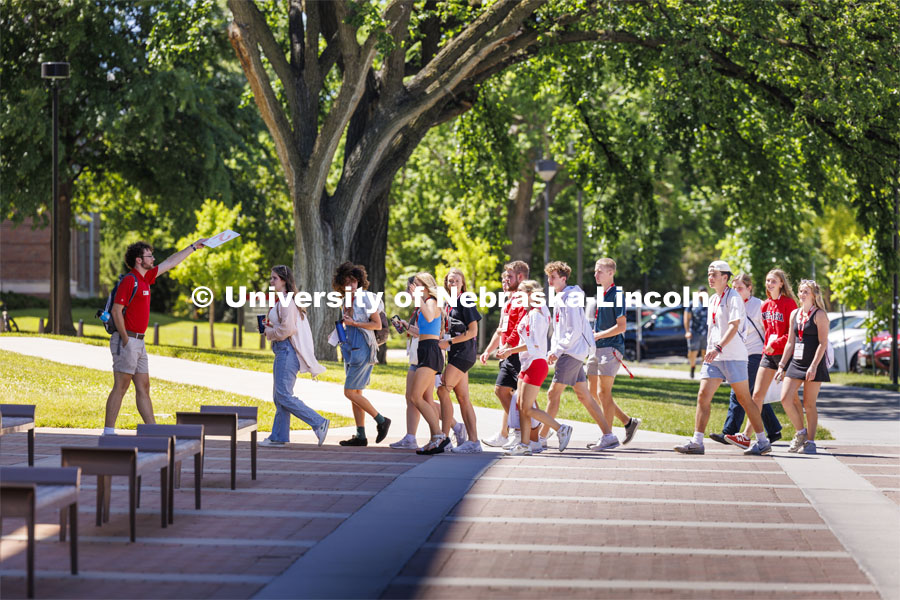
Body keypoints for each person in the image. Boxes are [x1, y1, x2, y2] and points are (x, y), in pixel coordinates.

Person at [103, 239, 206, 434]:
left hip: (139, 342)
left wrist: (193, 247)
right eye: (149, 256)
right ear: (138, 260)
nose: (153, 258)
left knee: (144, 386)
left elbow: (170, 262)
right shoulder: (129, 280)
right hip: (127, 341)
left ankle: (152, 431)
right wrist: (125, 340)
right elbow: (117, 311)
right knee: (121, 385)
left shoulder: (146, 278)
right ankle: (108, 431)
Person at [674, 261, 770, 456]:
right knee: (703, 396)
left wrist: (718, 347)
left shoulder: (733, 298)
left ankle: (762, 440)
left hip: (734, 356)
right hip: (715, 357)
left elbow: (734, 326)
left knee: (744, 399)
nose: (710, 277)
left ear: (725, 277)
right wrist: (711, 351)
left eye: (714, 274)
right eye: (709, 274)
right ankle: (697, 442)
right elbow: (714, 329)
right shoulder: (712, 299)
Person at [543, 261, 620, 451]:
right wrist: (555, 349)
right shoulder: (561, 297)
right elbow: (560, 330)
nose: (549, 281)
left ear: (563, 278)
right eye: (548, 277)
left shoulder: (571, 298)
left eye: (552, 277)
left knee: (553, 393)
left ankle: (542, 437)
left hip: (572, 352)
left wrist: (557, 350)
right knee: (584, 395)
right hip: (571, 351)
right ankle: (608, 435)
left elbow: (574, 329)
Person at [497, 280, 573, 455]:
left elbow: (534, 345)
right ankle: (525, 445)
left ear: (531, 294)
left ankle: (561, 428)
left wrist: (509, 351)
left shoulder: (536, 315)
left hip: (535, 364)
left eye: (521, 293)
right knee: (522, 407)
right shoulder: (531, 313)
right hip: (527, 363)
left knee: (528, 408)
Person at [709, 273, 783, 447]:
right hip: (739, 355)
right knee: (752, 395)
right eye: (734, 288)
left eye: (740, 288)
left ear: (749, 288)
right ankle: (773, 430)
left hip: (757, 354)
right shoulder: (731, 304)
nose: (736, 291)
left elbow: (769, 330)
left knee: (739, 392)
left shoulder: (759, 305)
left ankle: (729, 432)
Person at [260, 265, 330, 447]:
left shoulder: (286, 301)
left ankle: (319, 423)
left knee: (283, 395)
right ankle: (279, 437)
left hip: (286, 350)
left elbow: (287, 329)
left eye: (274, 278)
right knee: (280, 396)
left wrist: (269, 332)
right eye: (271, 278)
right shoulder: (283, 300)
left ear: (283, 280)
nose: (271, 281)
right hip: (283, 350)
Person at [331, 262, 391, 446]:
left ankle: (381, 420)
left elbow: (377, 325)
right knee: (356, 392)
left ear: (359, 282)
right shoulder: (345, 301)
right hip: (349, 347)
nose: (351, 285)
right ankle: (361, 435)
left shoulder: (365, 298)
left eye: (354, 281)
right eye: (347, 282)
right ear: (340, 284)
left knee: (349, 392)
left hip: (363, 346)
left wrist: (354, 324)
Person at [586, 258, 641, 446]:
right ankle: (628, 422)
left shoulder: (617, 294)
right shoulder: (602, 293)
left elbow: (622, 327)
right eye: (595, 271)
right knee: (592, 392)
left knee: (603, 393)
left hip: (610, 348)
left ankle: (607, 437)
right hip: (597, 347)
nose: (595, 274)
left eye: (599, 271)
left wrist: (598, 335)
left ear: (611, 273)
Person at [776, 279, 830, 454]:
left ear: (814, 295)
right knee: (785, 398)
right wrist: (781, 365)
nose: (802, 294)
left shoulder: (820, 315)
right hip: (796, 363)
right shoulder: (795, 314)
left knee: (809, 404)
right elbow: (790, 343)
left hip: (813, 363)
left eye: (806, 291)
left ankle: (811, 442)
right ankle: (801, 433)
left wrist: (813, 366)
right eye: (800, 291)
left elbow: (823, 344)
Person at [479, 261, 530, 448]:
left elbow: (518, 328)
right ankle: (510, 432)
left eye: (509, 277)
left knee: (521, 396)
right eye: (504, 277)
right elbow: (501, 330)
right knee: (504, 391)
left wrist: (508, 346)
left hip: (518, 353)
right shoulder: (509, 301)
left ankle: (533, 427)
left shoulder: (522, 299)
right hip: (507, 352)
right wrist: (488, 350)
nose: (505, 280)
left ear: (521, 277)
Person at [405, 273, 453, 455]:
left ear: (424, 286)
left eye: (416, 285)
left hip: (432, 351)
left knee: (416, 397)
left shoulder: (432, 301)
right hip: (424, 349)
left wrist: (419, 299)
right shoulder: (424, 303)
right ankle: (436, 438)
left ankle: (439, 436)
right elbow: (423, 329)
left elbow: (431, 316)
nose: (412, 288)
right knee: (419, 397)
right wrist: (406, 326)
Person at [437, 268, 484, 454]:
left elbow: (473, 332)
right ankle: (474, 441)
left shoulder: (466, 300)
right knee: (463, 398)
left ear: (463, 282)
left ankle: (444, 438)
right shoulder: (449, 303)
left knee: (442, 391)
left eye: (456, 280)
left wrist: (449, 341)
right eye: (450, 281)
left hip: (464, 353)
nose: (453, 283)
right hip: (454, 353)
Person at [684, 285, 708, 379]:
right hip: (694, 331)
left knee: (705, 353)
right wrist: (687, 331)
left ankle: (704, 372)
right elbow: (687, 318)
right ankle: (692, 367)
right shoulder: (692, 304)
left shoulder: (710, 303)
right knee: (692, 352)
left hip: (706, 332)